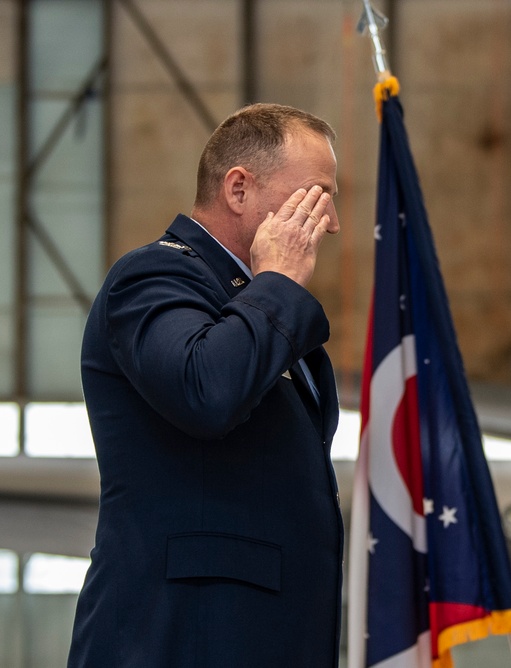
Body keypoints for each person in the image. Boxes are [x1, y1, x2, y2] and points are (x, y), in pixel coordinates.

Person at [68, 103, 345, 667]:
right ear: (238, 189)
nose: (332, 222)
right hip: (182, 635)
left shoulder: (257, 303)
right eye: (315, 196)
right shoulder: (153, 275)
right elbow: (206, 391)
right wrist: (276, 282)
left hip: (261, 634)